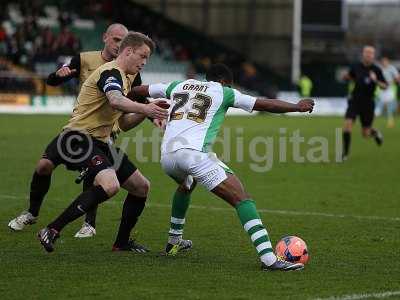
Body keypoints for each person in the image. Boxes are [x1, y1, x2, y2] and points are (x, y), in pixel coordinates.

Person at [131, 63, 314, 271]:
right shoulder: (223, 91)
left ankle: (174, 242)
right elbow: (264, 104)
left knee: (187, 185)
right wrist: (297, 106)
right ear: (225, 81)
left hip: (167, 158)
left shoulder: (178, 85)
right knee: (242, 199)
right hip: (193, 155)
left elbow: (138, 90)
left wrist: (143, 108)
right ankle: (269, 259)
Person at [8, 24, 159, 239]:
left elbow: (124, 124)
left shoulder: (125, 77)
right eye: (143, 56)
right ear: (129, 51)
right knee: (109, 184)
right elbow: (116, 101)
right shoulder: (110, 71)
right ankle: (52, 228)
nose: (145, 62)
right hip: (77, 138)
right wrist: (146, 107)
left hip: (100, 141)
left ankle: (121, 243)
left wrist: (146, 113)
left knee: (141, 186)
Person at [342, 46, 387, 160]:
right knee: (347, 125)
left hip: (368, 103)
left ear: (373, 55)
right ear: (363, 54)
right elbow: (349, 77)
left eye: (371, 53)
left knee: (365, 133)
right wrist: (345, 77)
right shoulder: (355, 66)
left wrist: (375, 80)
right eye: (366, 52)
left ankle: (375, 133)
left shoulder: (377, 70)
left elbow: (385, 86)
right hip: (354, 101)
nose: (368, 55)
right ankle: (345, 154)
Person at [377, 56, 400, 128]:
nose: (384, 63)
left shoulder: (392, 68)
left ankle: (390, 121)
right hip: (381, 89)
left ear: (388, 62)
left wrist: (392, 82)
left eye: (385, 61)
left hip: (389, 89)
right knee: (380, 106)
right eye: (383, 61)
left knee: (389, 105)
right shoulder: (379, 69)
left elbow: (397, 77)